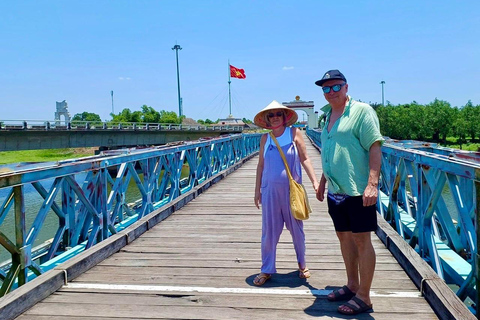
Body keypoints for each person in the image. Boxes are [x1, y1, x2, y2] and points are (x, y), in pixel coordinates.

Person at [314, 70, 383, 315]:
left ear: (346, 87)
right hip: (335, 190)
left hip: (357, 189)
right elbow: (331, 151)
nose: (330, 92)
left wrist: (372, 184)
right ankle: (352, 284)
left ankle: (364, 296)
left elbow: (375, 147)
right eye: (326, 88)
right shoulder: (326, 116)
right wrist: (323, 180)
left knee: (362, 240)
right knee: (344, 238)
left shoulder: (362, 111)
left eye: (335, 87)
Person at [253, 100, 319, 286]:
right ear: (267, 119)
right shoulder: (265, 138)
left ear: (285, 117)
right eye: (271, 115)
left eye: (278, 114)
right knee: (269, 232)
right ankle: (266, 269)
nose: (275, 118)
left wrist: (314, 181)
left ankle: (302, 264)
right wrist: (257, 190)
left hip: (292, 191)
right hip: (269, 192)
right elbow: (260, 165)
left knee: (297, 230)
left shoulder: (294, 133)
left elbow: (305, 158)